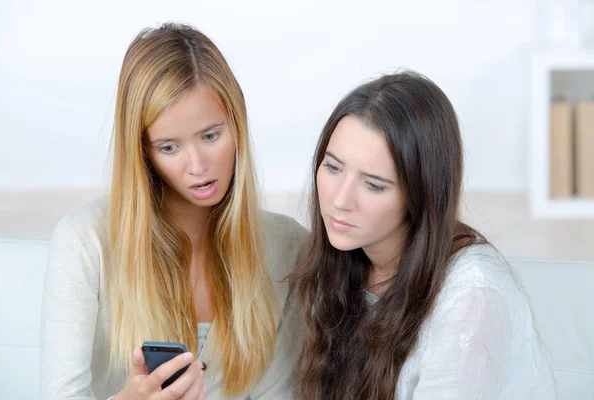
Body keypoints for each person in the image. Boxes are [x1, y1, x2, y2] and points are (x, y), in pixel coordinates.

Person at [40, 22, 307, 400]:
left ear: (238, 125)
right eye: (169, 147)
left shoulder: (289, 246)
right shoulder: (85, 241)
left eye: (211, 136)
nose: (197, 166)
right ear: (143, 152)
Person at [292, 71, 556, 399]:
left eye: (373, 184)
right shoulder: (348, 258)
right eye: (332, 168)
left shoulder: (471, 297)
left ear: (420, 194)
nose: (340, 200)